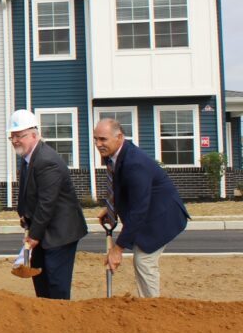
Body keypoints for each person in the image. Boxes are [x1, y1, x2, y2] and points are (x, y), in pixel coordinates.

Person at [93, 118, 189, 297]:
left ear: (119, 137)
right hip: (148, 211)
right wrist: (112, 208)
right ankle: (149, 307)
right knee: (142, 259)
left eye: (103, 139)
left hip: (162, 216)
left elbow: (139, 209)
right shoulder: (114, 155)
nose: (98, 144)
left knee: (144, 260)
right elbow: (123, 187)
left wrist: (118, 249)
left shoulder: (134, 163)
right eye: (95, 139)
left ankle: (152, 310)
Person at [10, 109, 87, 300]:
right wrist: (24, 215)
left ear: (34, 135)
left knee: (56, 287)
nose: (15, 140)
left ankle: (61, 324)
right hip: (43, 231)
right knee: (42, 283)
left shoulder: (46, 160)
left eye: (20, 136)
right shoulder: (29, 158)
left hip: (59, 233)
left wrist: (34, 236)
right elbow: (30, 193)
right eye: (12, 136)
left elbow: (47, 202)